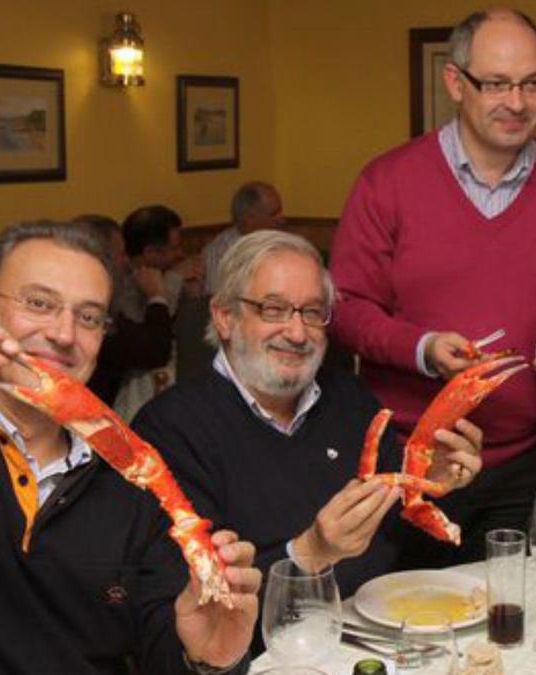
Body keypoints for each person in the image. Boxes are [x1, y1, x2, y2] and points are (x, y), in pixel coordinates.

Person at [0, 222, 260, 674]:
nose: (64, 334)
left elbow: (163, 643)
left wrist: (205, 659)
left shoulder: (136, 475)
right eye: (39, 303)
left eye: (88, 317)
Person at [328, 8, 536, 563]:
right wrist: (422, 349)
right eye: (497, 84)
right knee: (415, 622)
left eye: (533, 84)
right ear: (455, 83)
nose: (517, 102)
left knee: (513, 625)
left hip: (533, 461)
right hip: (414, 461)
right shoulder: (386, 182)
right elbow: (346, 307)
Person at [132, 232, 483, 622]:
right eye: (273, 309)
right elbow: (189, 611)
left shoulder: (351, 399)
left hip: (382, 641)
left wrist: (430, 490)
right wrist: (308, 555)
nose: (297, 333)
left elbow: (402, 555)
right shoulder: (168, 431)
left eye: (313, 312)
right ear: (224, 317)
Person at [116, 205, 206, 418]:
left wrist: (193, 294)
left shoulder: (170, 275)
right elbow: (153, 345)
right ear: (150, 253)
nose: (181, 254)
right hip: (136, 389)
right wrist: (171, 282)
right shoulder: (121, 284)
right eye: (174, 248)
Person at [76, 214, 175, 404]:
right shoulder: (90, 308)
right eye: (121, 254)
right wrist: (157, 296)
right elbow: (156, 351)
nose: (126, 261)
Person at [203, 182, 286, 295]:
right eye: (274, 214)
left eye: (280, 211)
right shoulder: (222, 252)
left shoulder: (282, 244)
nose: (282, 219)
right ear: (249, 219)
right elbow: (222, 300)